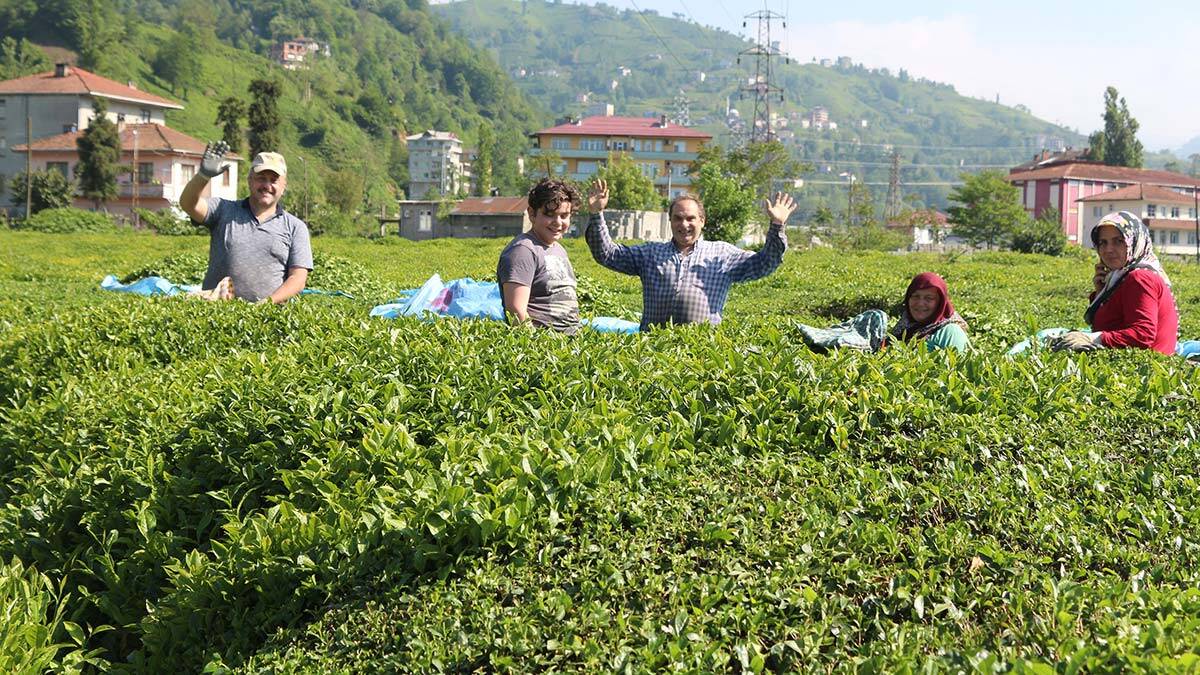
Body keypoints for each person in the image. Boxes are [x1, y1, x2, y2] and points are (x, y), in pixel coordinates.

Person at [584, 180, 794, 330]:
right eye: (678, 218)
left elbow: (765, 263)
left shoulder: (722, 254)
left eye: (691, 218)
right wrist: (596, 214)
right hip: (652, 347)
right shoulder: (650, 253)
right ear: (670, 221)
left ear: (702, 220)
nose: (684, 225)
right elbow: (607, 254)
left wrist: (777, 225)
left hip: (701, 351)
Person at [179, 141, 312, 304]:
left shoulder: (295, 227)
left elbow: (298, 278)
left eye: (274, 180)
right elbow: (188, 204)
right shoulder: (223, 210)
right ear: (250, 180)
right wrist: (203, 176)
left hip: (267, 317)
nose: (267, 185)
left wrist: (267, 303)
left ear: (283, 186)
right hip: (217, 311)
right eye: (261, 178)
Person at [1051, 211, 1178, 354]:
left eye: (1119, 241)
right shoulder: (1121, 278)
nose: (1108, 250)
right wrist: (1101, 294)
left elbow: (1143, 335)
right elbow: (1113, 325)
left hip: (1145, 368)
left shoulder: (1140, 278)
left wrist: (1092, 338)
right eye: (1103, 243)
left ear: (1135, 242)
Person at [496, 178, 582, 334]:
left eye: (564, 216)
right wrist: (536, 345)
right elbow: (515, 310)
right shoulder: (522, 251)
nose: (557, 222)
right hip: (545, 344)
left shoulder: (559, 249)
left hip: (569, 340)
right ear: (532, 214)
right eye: (549, 215)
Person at [889, 272, 970, 352]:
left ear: (940, 303)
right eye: (915, 296)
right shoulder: (905, 324)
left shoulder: (950, 332)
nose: (920, 303)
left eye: (929, 298)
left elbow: (956, 364)